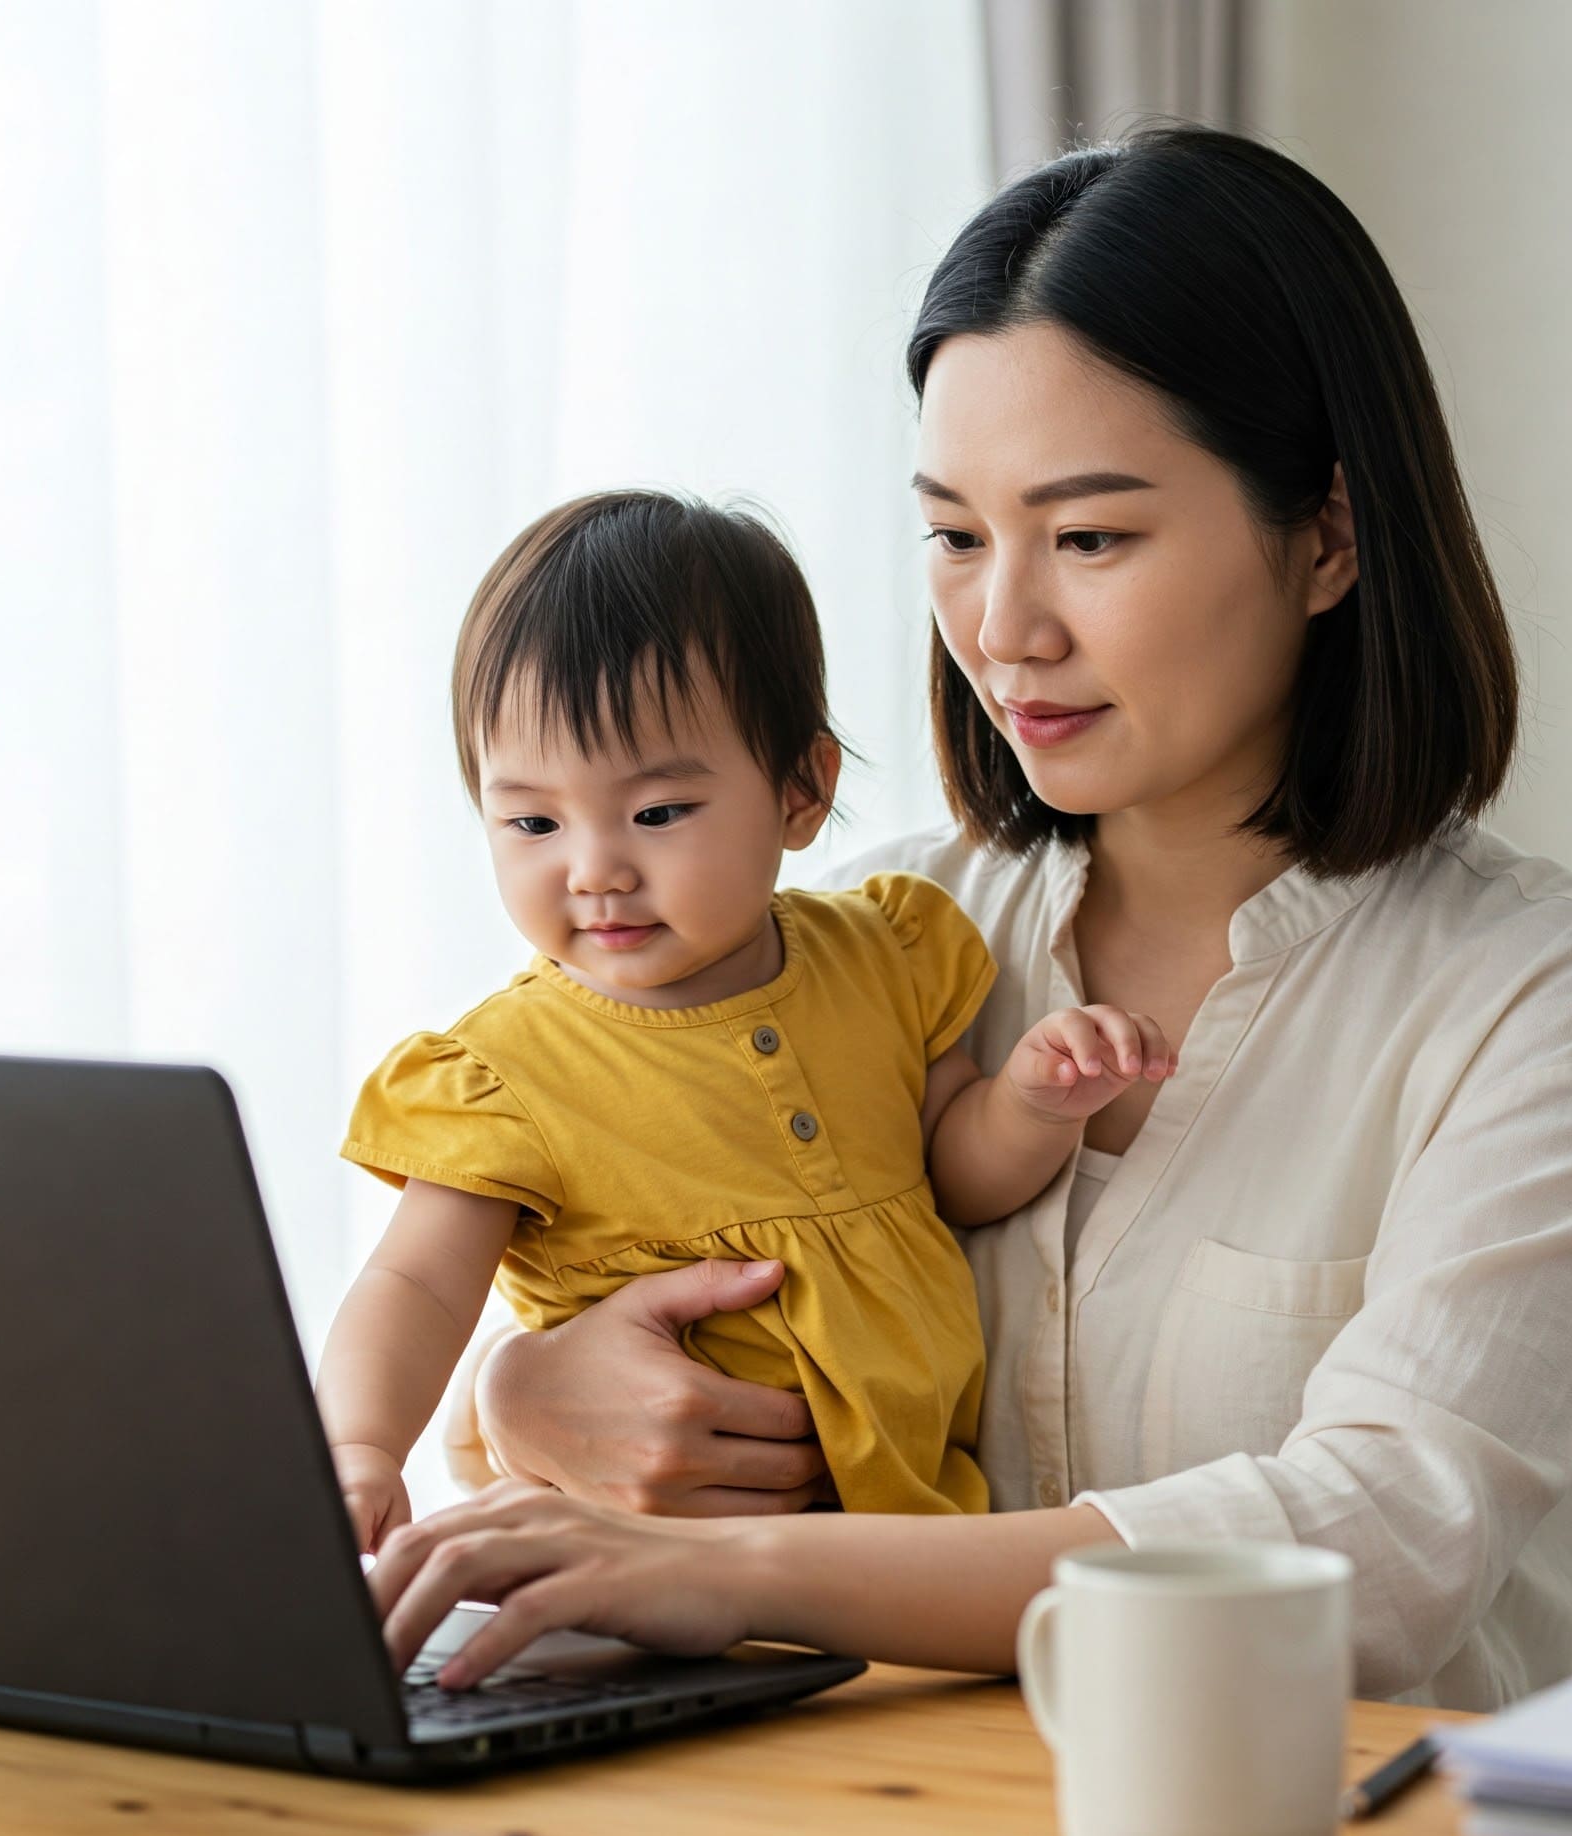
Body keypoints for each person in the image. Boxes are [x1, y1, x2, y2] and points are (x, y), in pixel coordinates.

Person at [368, 122, 1572, 1711]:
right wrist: (520, 1398)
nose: (1003, 629)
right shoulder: (858, 939)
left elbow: (1379, 1549)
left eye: (1089, 537)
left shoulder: (1545, 998)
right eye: (954, 534)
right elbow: (543, 1268)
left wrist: (741, 1572)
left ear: (1327, 536)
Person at [317, 488, 1178, 1546]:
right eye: (532, 819)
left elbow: (954, 1172)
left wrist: (1035, 1102)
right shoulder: (505, 1073)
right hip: (635, 1547)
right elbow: (412, 1281)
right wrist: (359, 1444)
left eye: (657, 812)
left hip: (898, 1548)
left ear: (800, 791)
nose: (594, 870)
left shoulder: (882, 954)